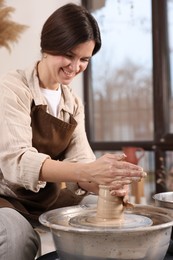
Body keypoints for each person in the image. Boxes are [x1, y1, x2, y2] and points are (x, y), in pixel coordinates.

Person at [0, 3, 146, 260]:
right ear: (47, 47)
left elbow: (82, 163)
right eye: (69, 54)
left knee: (112, 216)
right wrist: (88, 171)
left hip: (50, 198)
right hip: (8, 199)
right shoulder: (13, 88)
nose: (75, 66)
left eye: (84, 59)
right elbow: (18, 162)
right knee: (17, 234)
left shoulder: (72, 102)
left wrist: (107, 181)